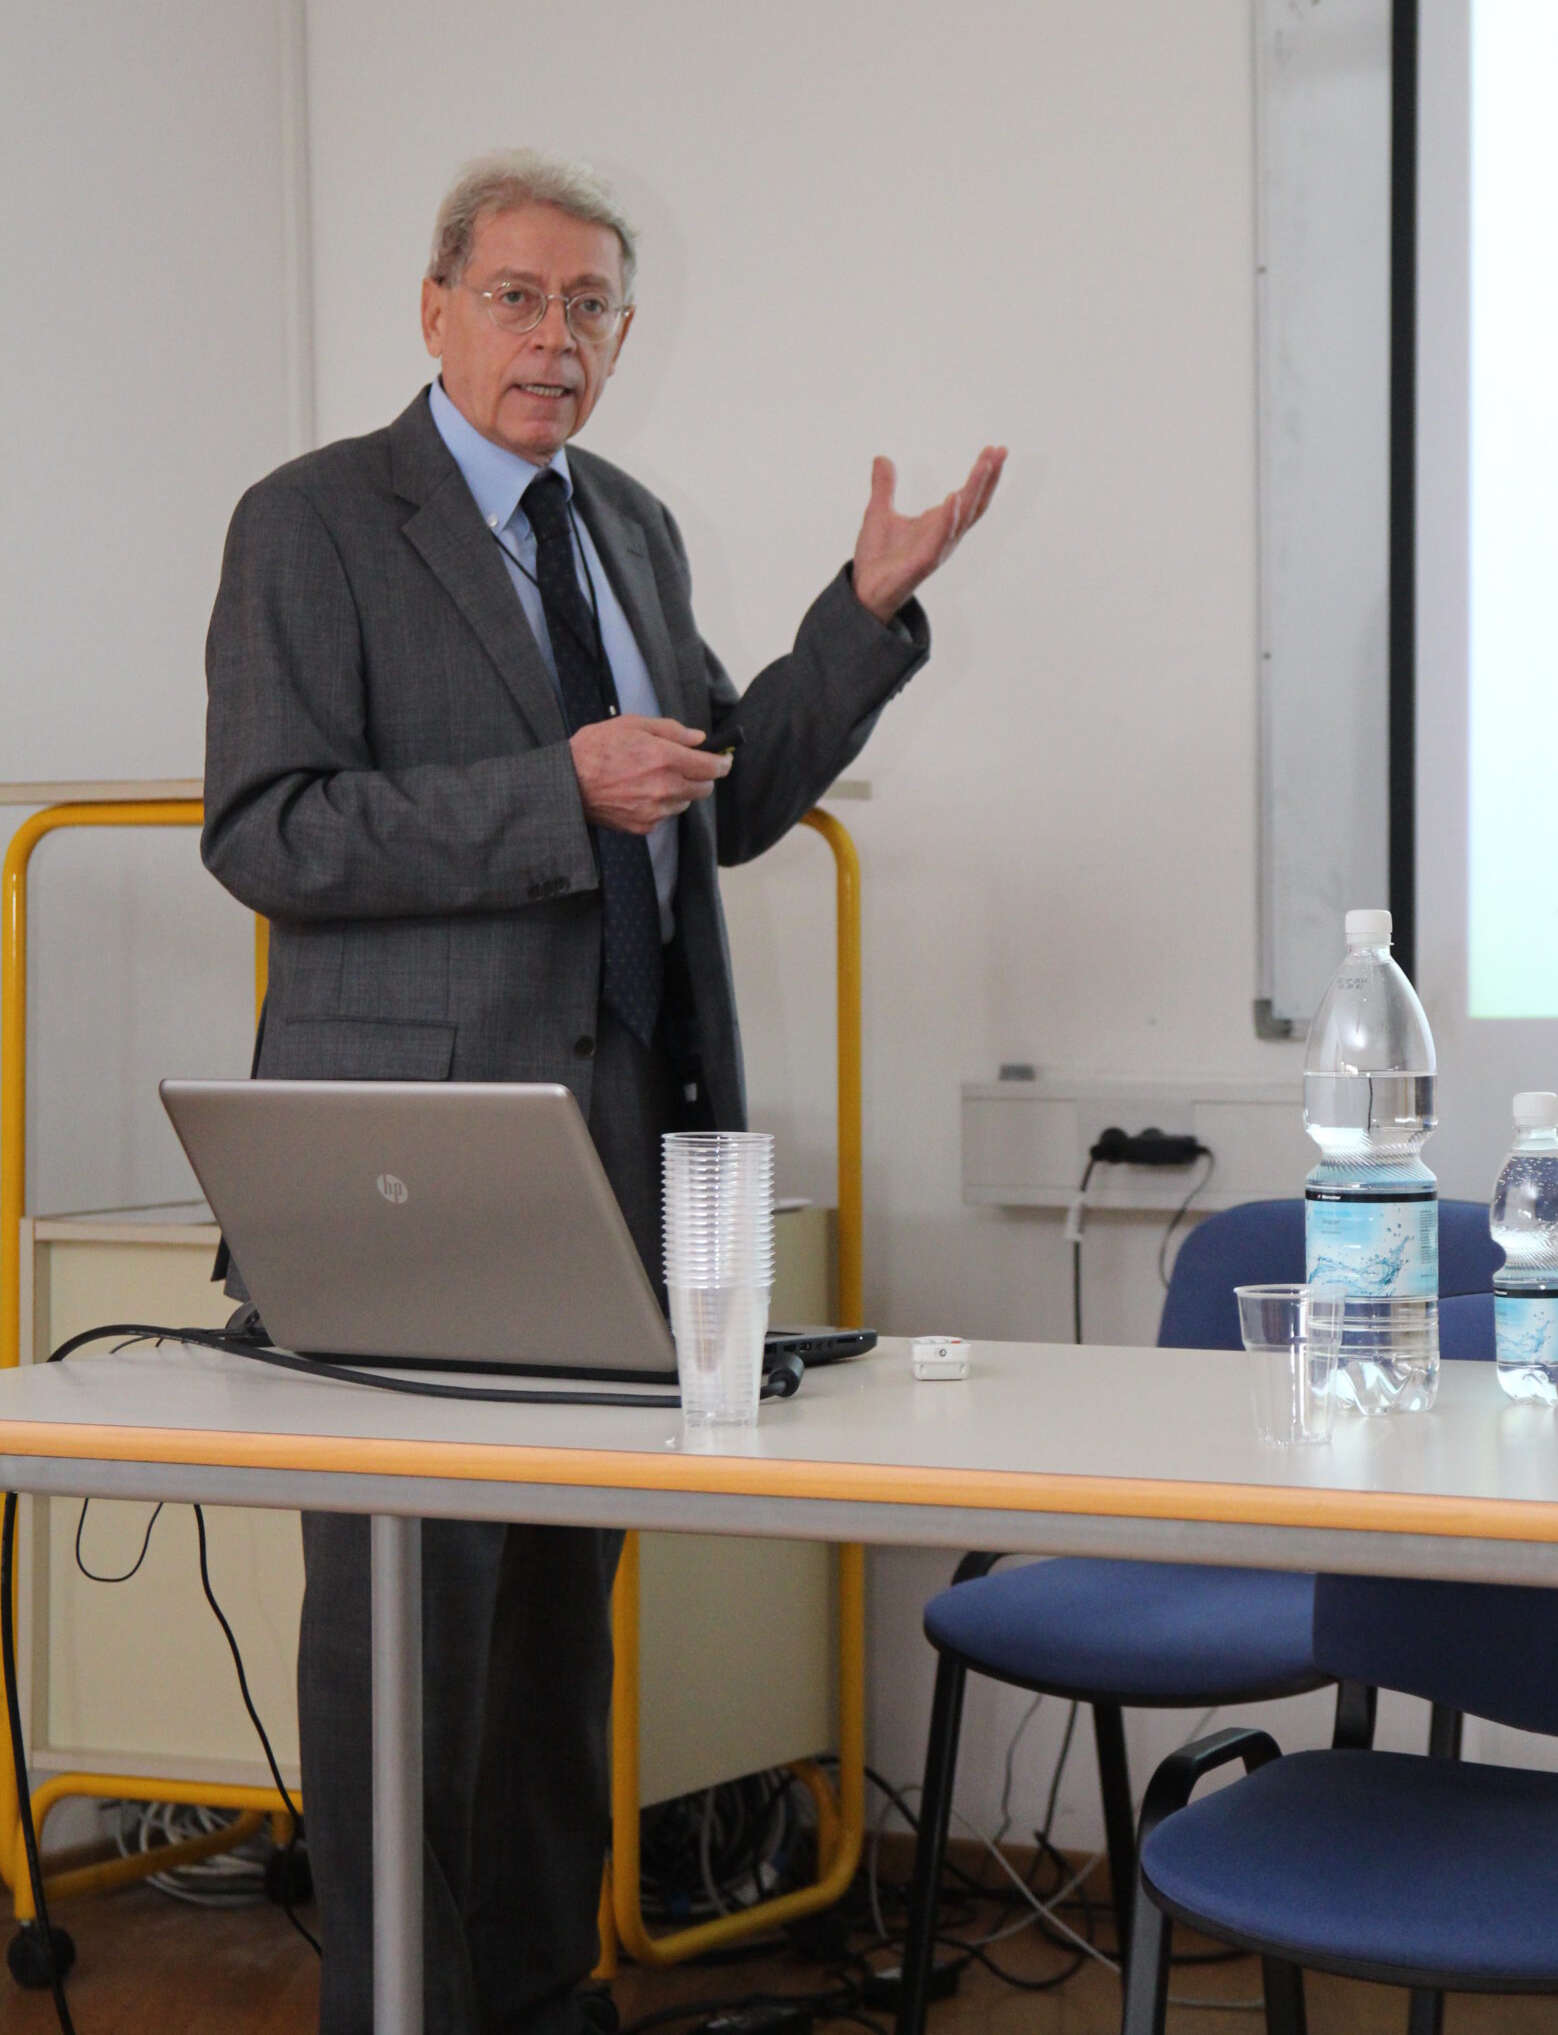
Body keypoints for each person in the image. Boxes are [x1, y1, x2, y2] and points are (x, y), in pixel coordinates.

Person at [200, 151, 1004, 2035]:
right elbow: (268, 830)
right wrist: (550, 791)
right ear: (435, 309)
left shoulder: (625, 524)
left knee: (558, 1640)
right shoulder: (315, 521)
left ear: (623, 337)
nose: (552, 338)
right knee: (411, 1651)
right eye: (516, 297)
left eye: (587, 308)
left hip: (627, 1153)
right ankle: (399, 2014)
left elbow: (719, 797)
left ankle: (541, 1999)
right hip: (414, 1173)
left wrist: (860, 615)